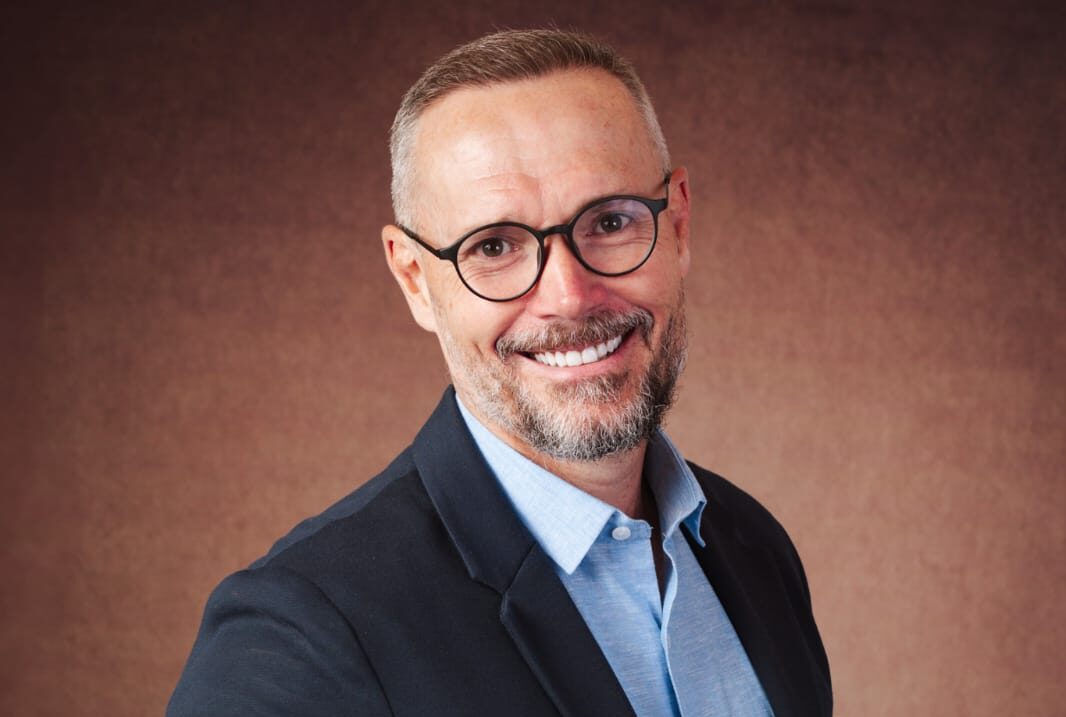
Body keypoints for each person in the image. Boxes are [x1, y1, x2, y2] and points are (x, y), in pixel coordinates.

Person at [168, 29, 832, 716]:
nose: (570, 296)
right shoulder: (301, 636)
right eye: (494, 245)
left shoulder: (755, 550)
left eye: (609, 221)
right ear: (414, 279)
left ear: (680, 224)